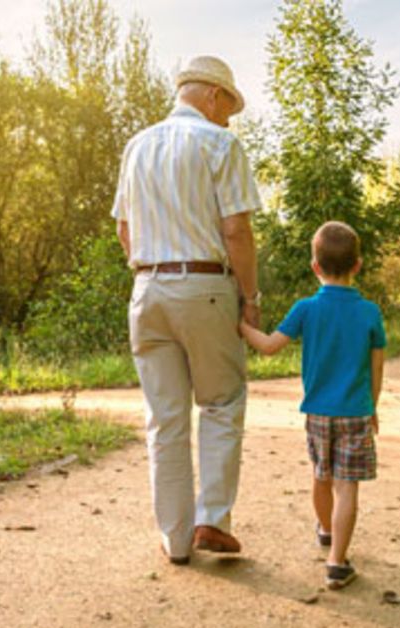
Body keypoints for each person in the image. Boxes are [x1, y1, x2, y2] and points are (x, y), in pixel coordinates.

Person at [112, 55, 263, 565]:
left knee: (165, 418)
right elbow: (236, 229)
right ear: (214, 97)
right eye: (229, 107)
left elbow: (123, 230)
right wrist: (251, 297)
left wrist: (149, 270)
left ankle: (175, 540)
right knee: (220, 403)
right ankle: (212, 521)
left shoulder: (136, 146)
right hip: (205, 287)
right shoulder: (220, 144)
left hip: (146, 288)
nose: (229, 119)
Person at [238, 221, 385, 589]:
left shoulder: (306, 309)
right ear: (358, 265)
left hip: (317, 412)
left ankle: (325, 529)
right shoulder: (370, 313)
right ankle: (337, 562)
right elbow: (376, 366)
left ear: (315, 266)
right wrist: (373, 407)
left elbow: (270, 345)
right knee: (347, 485)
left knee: (322, 475)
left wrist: (240, 326)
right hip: (355, 412)